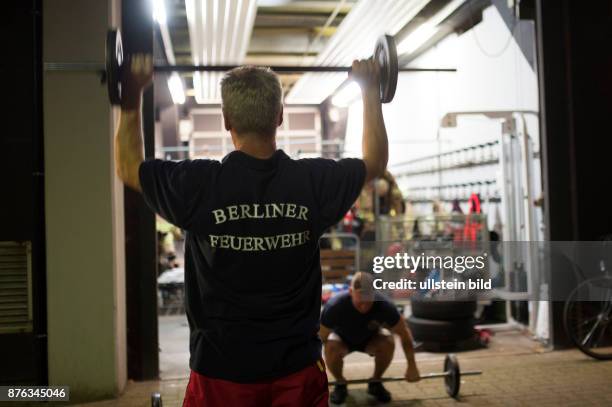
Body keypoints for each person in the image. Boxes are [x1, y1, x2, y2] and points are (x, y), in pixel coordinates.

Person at [114, 53, 388, 406]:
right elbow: (376, 161)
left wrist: (131, 95)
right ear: (280, 116)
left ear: (226, 120)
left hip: (221, 372)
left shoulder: (196, 184)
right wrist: (368, 90)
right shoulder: (313, 181)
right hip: (296, 370)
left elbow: (126, 166)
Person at [319, 272, 420, 404]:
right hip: (342, 340)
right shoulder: (334, 306)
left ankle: (375, 383)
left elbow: (404, 334)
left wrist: (412, 365)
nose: (364, 307)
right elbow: (320, 338)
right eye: (360, 302)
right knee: (330, 345)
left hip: (370, 340)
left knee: (388, 341)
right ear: (350, 292)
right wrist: (315, 373)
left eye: (368, 302)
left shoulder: (384, 306)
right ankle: (340, 383)